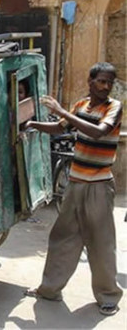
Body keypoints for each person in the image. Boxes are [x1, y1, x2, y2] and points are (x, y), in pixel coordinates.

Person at [24, 62, 123, 317]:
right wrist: (34, 124)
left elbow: (99, 132)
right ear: (90, 81)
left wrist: (61, 111)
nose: (105, 86)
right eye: (101, 81)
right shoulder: (80, 106)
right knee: (62, 237)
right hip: (76, 183)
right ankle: (49, 289)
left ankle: (108, 296)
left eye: (109, 83)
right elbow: (60, 128)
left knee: (101, 242)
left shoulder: (113, 107)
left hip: (99, 185)